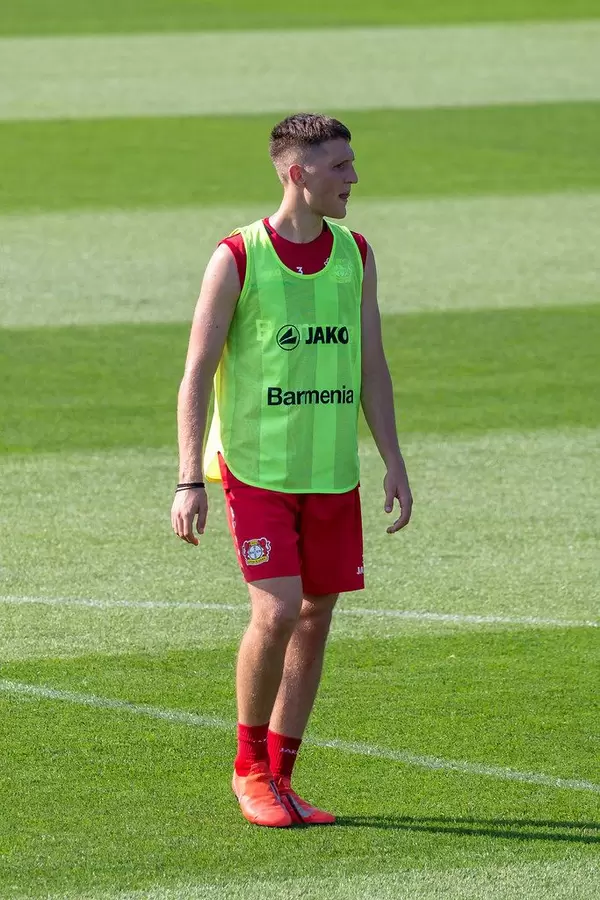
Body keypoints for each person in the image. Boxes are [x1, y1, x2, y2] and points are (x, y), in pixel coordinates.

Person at [171, 113, 412, 828]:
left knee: (316, 615)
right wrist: (189, 477)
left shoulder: (355, 254)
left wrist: (393, 457)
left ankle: (281, 775)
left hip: (333, 473)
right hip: (258, 470)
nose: (354, 179)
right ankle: (248, 770)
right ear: (295, 172)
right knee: (276, 611)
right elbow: (195, 374)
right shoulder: (237, 257)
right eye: (339, 167)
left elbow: (371, 362)